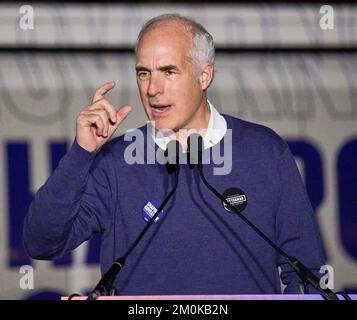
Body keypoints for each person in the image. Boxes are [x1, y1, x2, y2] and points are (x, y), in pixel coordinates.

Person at [23, 14, 326, 295]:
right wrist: (81, 153)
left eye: (168, 71)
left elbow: (306, 272)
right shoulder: (114, 162)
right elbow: (41, 243)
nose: (153, 88)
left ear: (204, 75)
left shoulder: (265, 151)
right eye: (144, 73)